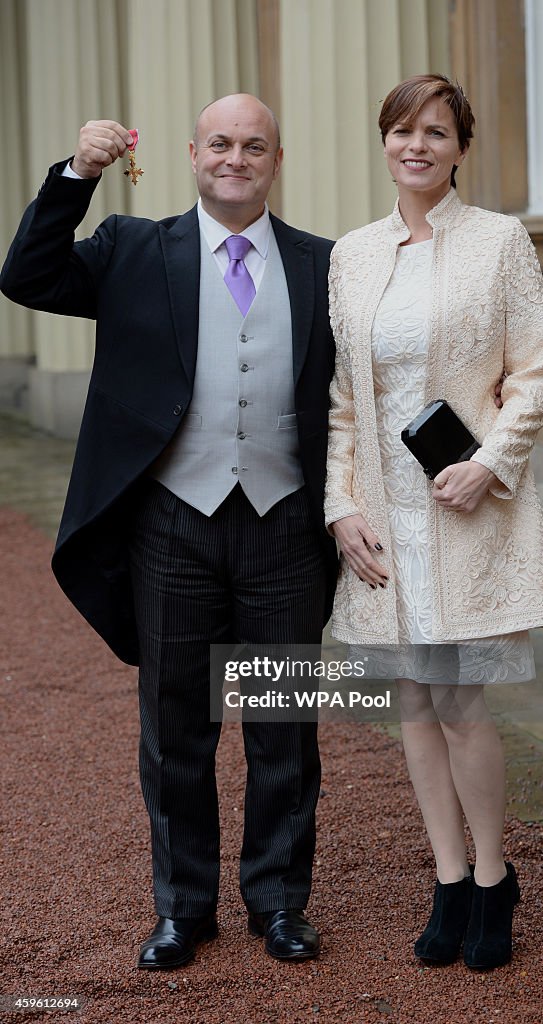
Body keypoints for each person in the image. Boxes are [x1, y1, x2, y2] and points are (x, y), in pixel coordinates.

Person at [1, 95, 338, 968]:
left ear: (276, 157)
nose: (236, 157)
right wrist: (78, 175)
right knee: (176, 727)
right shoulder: (131, 248)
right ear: (192, 153)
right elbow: (26, 276)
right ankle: (184, 908)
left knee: (283, 725)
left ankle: (278, 904)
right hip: (171, 526)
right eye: (220, 143)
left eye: (253, 145)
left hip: (283, 527)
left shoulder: (322, 264)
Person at [324, 74, 543, 970]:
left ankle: (496, 878)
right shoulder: (353, 254)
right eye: (401, 131)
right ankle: (450, 876)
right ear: (383, 141)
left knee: (462, 700)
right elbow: (346, 399)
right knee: (412, 703)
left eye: (435, 132)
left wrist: (488, 465)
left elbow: (533, 372)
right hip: (385, 520)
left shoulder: (498, 242)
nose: (416, 145)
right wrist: (339, 505)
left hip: (461, 509)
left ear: (461, 147)